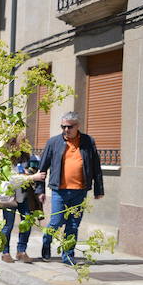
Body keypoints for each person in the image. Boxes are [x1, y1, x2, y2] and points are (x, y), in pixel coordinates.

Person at [35, 111, 104, 265]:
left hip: (80, 191)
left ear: (78, 126)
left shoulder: (88, 141)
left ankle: (68, 256)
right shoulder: (53, 142)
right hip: (59, 191)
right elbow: (42, 167)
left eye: (69, 127)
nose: (66, 130)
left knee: (73, 225)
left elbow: (96, 166)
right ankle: (46, 244)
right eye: (63, 127)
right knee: (56, 222)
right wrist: (40, 190)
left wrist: (99, 189)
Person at [0, 138, 46, 263]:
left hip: (25, 196)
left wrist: (31, 173)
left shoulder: (28, 158)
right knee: (8, 225)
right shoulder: (5, 160)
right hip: (9, 196)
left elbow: (38, 170)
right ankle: (5, 252)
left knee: (27, 222)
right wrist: (31, 177)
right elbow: (11, 179)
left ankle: (21, 251)